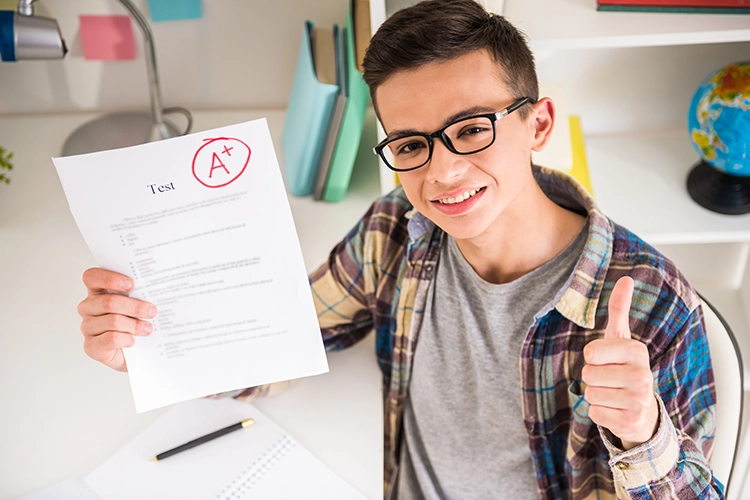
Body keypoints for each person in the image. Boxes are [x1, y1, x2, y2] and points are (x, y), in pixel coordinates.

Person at [77, 0, 721, 498]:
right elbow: (279, 342)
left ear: (539, 123)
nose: (440, 173)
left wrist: (643, 434)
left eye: (471, 129)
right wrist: (148, 342)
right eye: (411, 144)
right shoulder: (397, 228)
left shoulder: (652, 306)